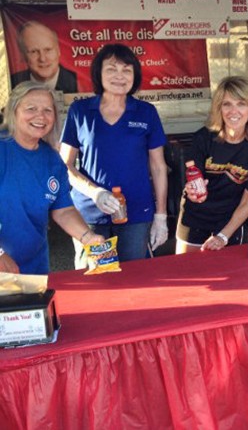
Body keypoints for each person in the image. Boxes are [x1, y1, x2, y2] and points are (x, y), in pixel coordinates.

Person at [60, 43, 168, 267]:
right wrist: (96, 193)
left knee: (135, 277)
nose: (119, 76)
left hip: (137, 213)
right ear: (99, 73)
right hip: (90, 215)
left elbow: (158, 167)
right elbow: (64, 165)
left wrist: (161, 216)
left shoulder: (146, 112)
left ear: (135, 76)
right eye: (111, 69)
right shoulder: (80, 112)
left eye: (126, 70)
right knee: (94, 280)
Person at [0, 81, 103, 275]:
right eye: (31, 108)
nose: (40, 116)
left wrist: (88, 237)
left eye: (48, 110)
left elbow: (63, 210)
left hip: (34, 267)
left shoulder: (52, 159)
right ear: (13, 111)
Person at [175, 76, 248, 254]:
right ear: (219, 108)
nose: (234, 111)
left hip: (232, 220)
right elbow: (193, 179)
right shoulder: (203, 139)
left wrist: (222, 236)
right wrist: (194, 191)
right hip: (195, 218)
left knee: (233, 277)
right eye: (227, 104)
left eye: (241, 103)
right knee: (187, 273)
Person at [11, 21, 78, 93]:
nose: (42, 59)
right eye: (34, 51)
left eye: (48, 50)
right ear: (23, 56)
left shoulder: (77, 81)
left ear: (58, 50)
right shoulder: (12, 82)